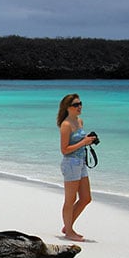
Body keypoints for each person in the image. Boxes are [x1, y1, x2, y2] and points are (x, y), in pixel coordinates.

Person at [57, 93, 97, 242]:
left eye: (80, 104)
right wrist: (83, 142)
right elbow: (64, 149)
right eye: (75, 105)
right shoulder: (66, 125)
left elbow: (79, 140)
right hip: (70, 163)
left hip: (81, 162)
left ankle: (67, 225)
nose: (79, 107)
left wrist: (88, 139)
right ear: (68, 108)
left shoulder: (79, 121)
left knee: (86, 198)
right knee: (70, 199)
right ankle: (69, 231)